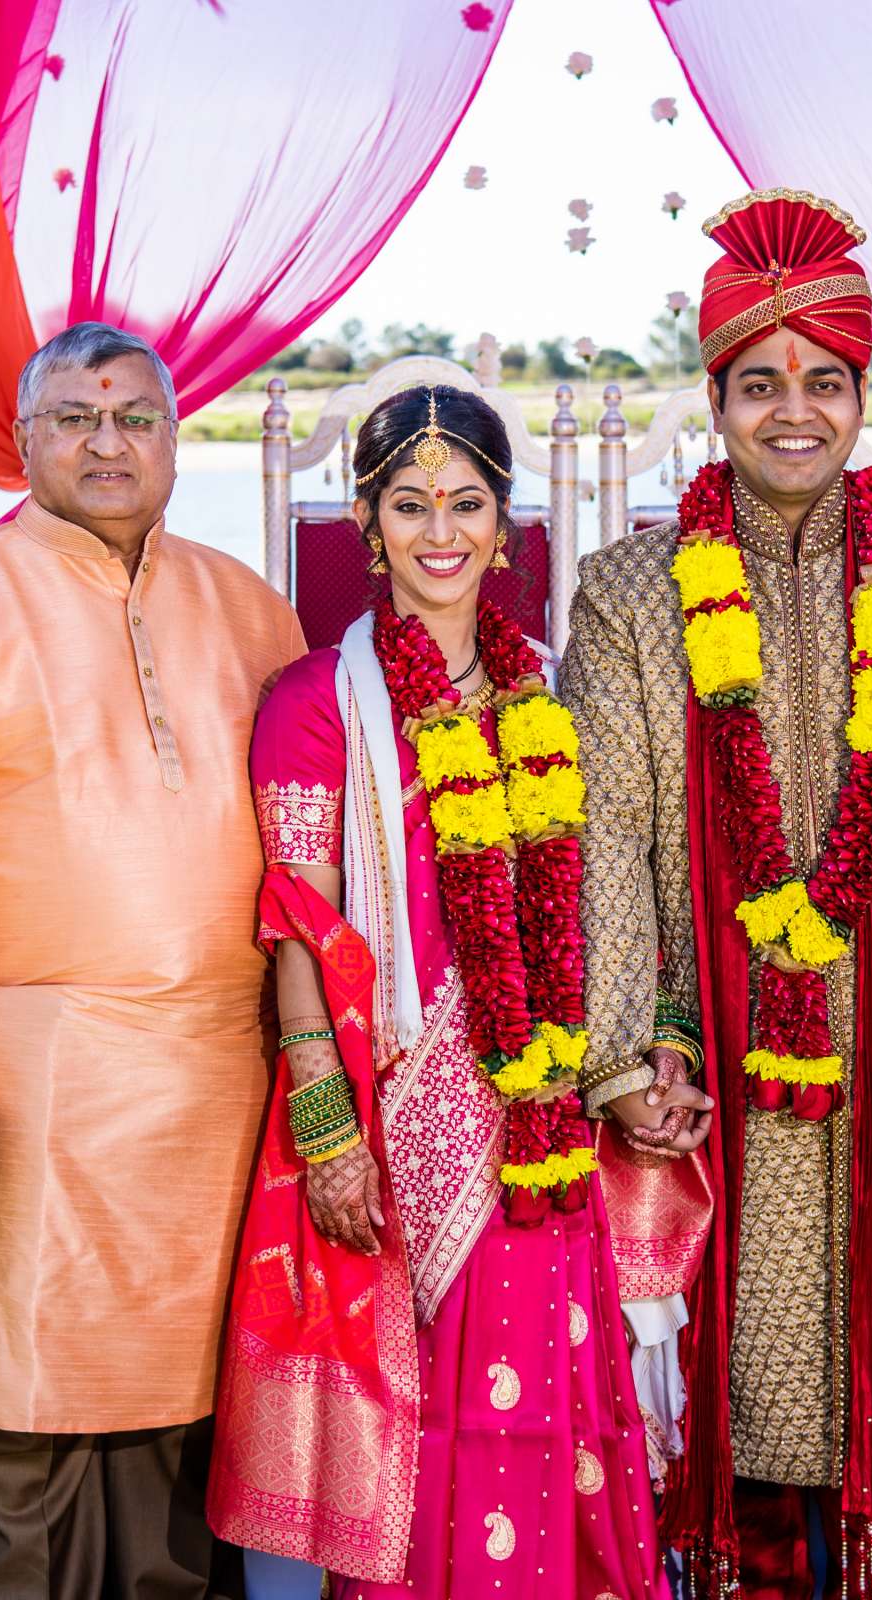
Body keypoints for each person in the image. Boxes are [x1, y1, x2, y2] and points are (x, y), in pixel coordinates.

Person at [558, 187, 872, 1599]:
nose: (793, 412)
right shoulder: (632, 592)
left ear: (862, 395)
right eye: (760, 383)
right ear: (715, 399)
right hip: (717, 1067)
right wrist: (620, 1061)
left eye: (824, 383)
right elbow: (614, 836)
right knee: (741, 1409)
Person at [0, 321, 306, 1597]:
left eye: (136, 417)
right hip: (25, 1088)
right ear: (27, 440)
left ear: (173, 440)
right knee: (16, 1430)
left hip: (216, 1089)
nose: (109, 443)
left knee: (176, 1449)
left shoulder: (250, 608)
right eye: (76, 419)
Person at [206, 384, 664, 1596]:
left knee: (553, 1425)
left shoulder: (550, 696)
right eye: (410, 504)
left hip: (540, 1125)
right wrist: (328, 1128)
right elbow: (296, 930)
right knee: (424, 1442)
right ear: (368, 521)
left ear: (505, 521)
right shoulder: (314, 703)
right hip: (399, 1130)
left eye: (466, 502)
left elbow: (608, 907)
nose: (440, 531)